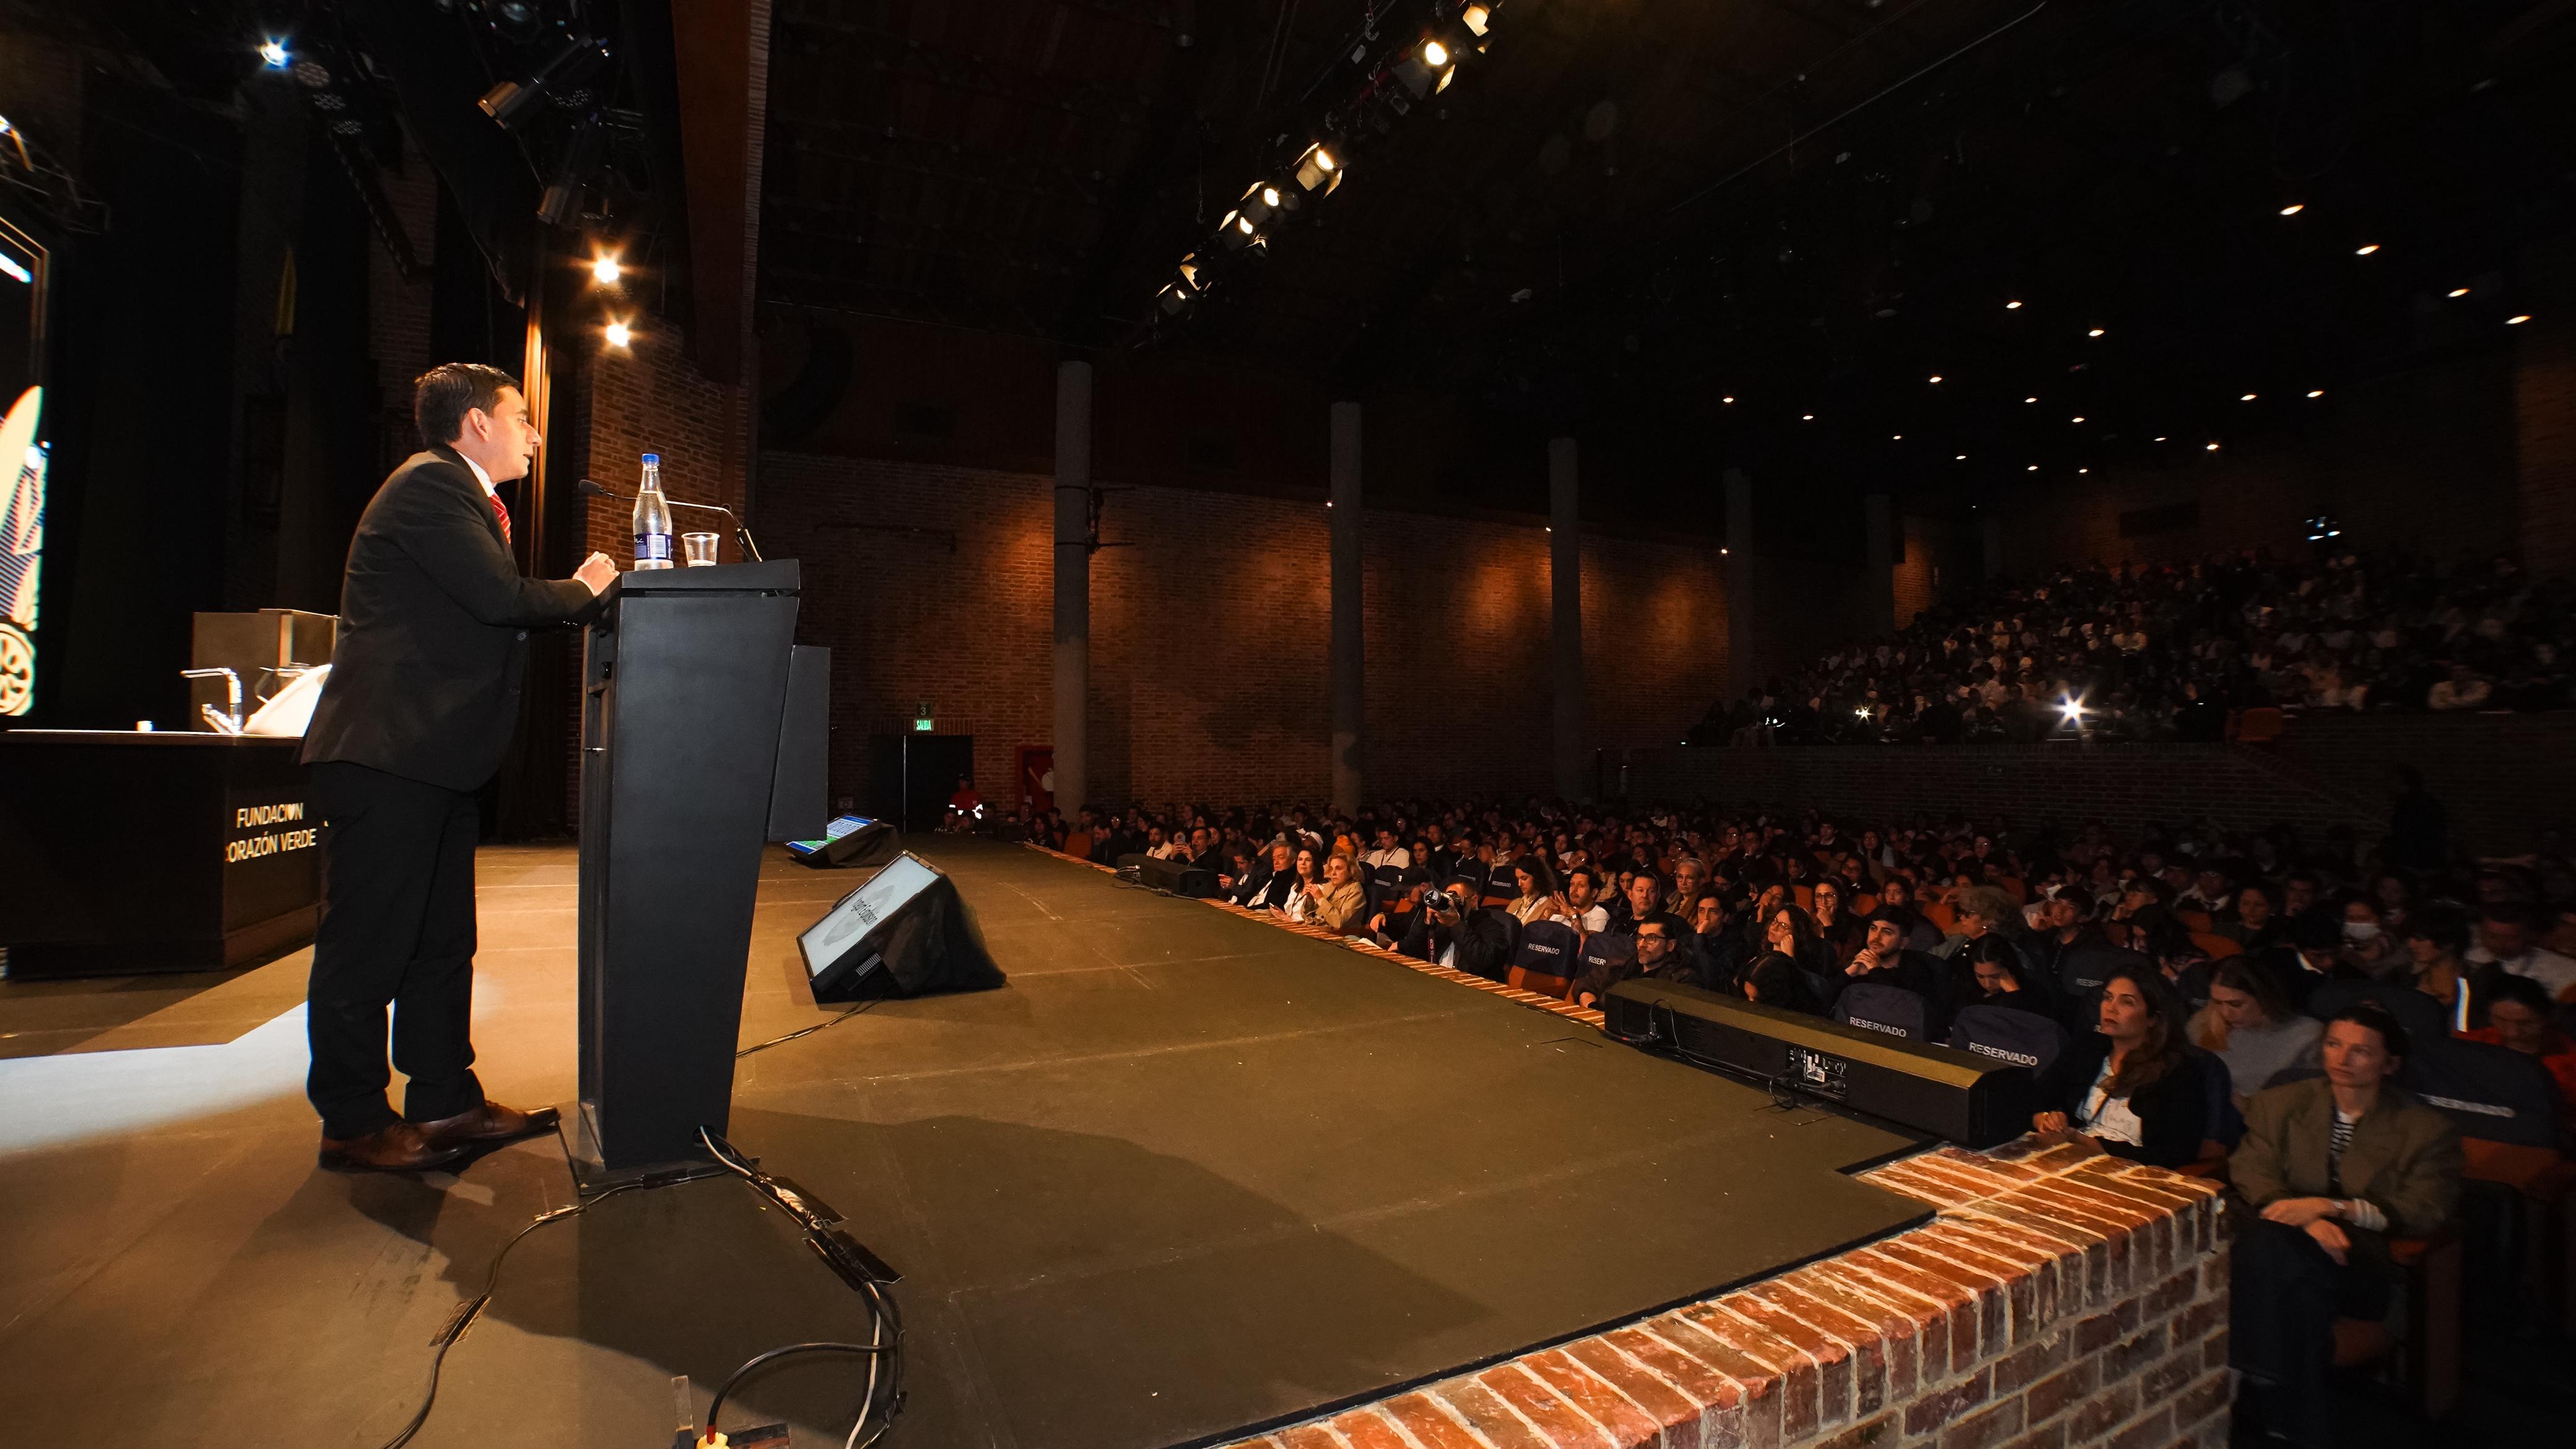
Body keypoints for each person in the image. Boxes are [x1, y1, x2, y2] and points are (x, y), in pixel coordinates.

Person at [298, 362, 619, 1173]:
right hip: (387, 756)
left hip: (433, 760)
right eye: (521, 418)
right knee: (367, 948)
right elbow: (499, 597)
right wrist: (584, 590)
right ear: (476, 423)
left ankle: (444, 1102)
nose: (534, 435)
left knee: (442, 945)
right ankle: (352, 1121)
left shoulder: (461, 496)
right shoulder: (430, 486)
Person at [2229, 1003, 2462, 1449]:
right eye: (2334, 1045)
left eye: (2361, 1051)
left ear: (2389, 1064)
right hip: (2291, 1253)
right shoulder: (2280, 1103)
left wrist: (2329, 1209)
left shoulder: (2426, 1129)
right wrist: (2307, 1223)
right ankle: (2293, 1425)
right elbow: (2251, 1170)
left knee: (2265, 1245)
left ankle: (2251, 1376)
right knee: (2292, 1285)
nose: (2342, 1059)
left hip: (2363, 1262)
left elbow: (2425, 1208)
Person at [2030, 964, 2207, 1168]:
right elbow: (2035, 1097)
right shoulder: (2087, 1047)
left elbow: (2176, 1153)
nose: (2111, 1008)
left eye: (2127, 1002)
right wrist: (2045, 1119)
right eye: (2108, 997)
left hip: (2134, 1173)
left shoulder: (2180, 1070)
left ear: (2153, 1019)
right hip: (2072, 1160)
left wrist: (2090, 1144)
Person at [2190, 959, 2322, 1109]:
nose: (2226, 1013)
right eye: (2218, 1003)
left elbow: (2313, 1098)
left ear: (2263, 997)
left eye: (2236, 1004)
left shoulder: (2306, 1034)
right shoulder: (2202, 1025)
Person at [2459, 975, 2576, 1127]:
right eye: (2501, 1020)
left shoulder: (2570, 1064)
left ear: (2549, 1017)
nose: (2513, 1033)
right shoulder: (2471, 1045)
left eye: (2526, 1023)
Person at [1398, 874, 1518, 980]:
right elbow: (1411, 951)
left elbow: (1484, 962)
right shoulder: (1441, 922)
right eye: (1448, 897)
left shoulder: (1492, 926)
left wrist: (1456, 924)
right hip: (1437, 981)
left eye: (1456, 898)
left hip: (1469, 988)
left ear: (1474, 901)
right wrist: (1426, 923)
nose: (1452, 903)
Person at [1572, 916, 1693, 1007]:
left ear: (1670, 945)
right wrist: (1592, 1005)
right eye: (1640, 937)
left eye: (1652, 938)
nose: (1642, 944)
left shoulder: (1681, 978)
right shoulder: (1628, 964)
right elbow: (1588, 982)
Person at [1310, 851, 1367, 936]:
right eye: (1331, 869)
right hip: (1319, 930)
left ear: (1350, 871)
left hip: (1340, 936)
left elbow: (1340, 922)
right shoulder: (1329, 886)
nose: (1333, 873)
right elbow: (1309, 916)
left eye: (1338, 869)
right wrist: (1310, 899)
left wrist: (1320, 899)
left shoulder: (1356, 891)